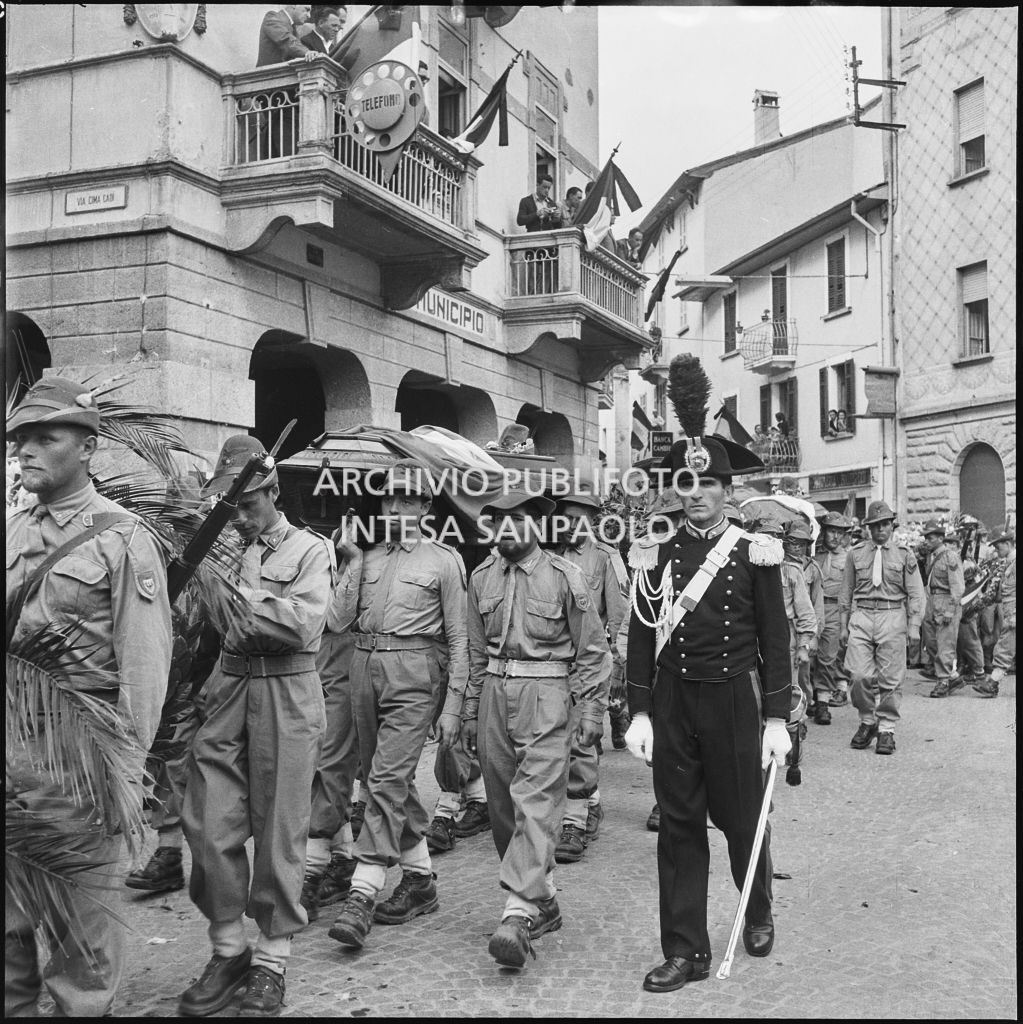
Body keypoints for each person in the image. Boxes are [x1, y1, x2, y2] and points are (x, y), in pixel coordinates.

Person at [6, 377, 173, 1017]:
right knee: (8, 928)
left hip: (79, 763)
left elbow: (145, 666)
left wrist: (122, 776)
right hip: (10, 757)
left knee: (82, 938)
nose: (25, 450)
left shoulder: (122, 539)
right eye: (20, 439)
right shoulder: (11, 532)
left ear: (87, 447)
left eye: (45, 438)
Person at [626, 425, 792, 994]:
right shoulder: (656, 551)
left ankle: (757, 907)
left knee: (743, 821)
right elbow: (641, 636)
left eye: (708, 484)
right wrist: (640, 711)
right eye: (686, 483)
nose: (696, 494)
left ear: (727, 489)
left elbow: (775, 639)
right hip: (675, 701)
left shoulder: (754, 551)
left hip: (733, 699)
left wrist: (776, 719)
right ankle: (685, 950)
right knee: (678, 828)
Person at [179, 435, 333, 1017]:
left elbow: (300, 624)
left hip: (286, 690)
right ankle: (228, 950)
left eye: (246, 505)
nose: (239, 516)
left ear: (272, 492)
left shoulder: (311, 550)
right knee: (207, 821)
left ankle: (271, 960)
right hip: (228, 686)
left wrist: (227, 592)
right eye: (230, 507)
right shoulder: (217, 549)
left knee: (279, 829)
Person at [462, 491, 611, 969]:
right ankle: (542, 899)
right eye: (499, 522)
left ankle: (518, 912)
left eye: (518, 520)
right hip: (493, 694)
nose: (508, 530)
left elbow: (593, 651)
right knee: (503, 806)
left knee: (537, 800)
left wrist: (591, 711)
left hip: (547, 696)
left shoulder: (566, 576)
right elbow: (474, 653)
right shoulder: (481, 577)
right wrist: (469, 712)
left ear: (536, 525)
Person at [327, 460, 468, 950]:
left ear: (426, 507)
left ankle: (363, 891)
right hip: (363, 666)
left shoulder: (444, 561)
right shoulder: (365, 556)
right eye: (390, 498)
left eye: (408, 498)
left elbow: (460, 639)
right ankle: (420, 879)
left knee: (385, 779)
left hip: (414, 672)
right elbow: (337, 621)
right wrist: (350, 560)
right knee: (382, 776)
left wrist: (454, 706)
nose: (396, 507)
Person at [552, 492, 627, 864]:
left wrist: (618, 664)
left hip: (587, 660)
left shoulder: (604, 558)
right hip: (553, 662)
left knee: (583, 740)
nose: (570, 525)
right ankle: (590, 803)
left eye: (578, 518)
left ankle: (577, 820)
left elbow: (619, 613)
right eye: (565, 517)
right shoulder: (550, 554)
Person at [839, 501, 925, 756]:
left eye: (885, 524)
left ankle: (886, 728)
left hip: (892, 615)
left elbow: (916, 594)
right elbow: (846, 591)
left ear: (892, 526)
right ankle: (868, 721)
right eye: (875, 525)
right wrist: (843, 626)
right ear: (868, 527)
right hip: (862, 615)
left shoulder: (905, 554)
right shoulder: (855, 554)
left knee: (891, 678)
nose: (880, 530)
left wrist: (914, 626)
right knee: (858, 675)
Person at [813, 512, 853, 715]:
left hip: (836, 609)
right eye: (832, 531)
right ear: (824, 531)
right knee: (810, 654)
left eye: (840, 532)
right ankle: (811, 695)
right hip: (814, 608)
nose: (836, 537)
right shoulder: (814, 555)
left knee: (830, 655)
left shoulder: (849, 557)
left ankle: (825, 698)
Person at [781, 519, 823, 715]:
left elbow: (816, 604)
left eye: (802, 543)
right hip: (786, 626)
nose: (797, 547)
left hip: (803, 626)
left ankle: (802, 711)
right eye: (792, 542)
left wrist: (813, 637)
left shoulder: (812, 568)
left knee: (802, 675)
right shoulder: (779, 565)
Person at [920, 521, 966, 699]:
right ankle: (952, 677)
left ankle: (943, 681)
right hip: (932, 600)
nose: (927, 541)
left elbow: (958, 586)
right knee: (931, 642)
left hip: (946, 601)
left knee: (945, 644)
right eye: (926, 538)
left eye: (930, 538)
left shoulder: (950, 556)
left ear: (940, 538)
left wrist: (951, 609)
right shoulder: (931, 556)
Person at [973, 529, 1015, 698]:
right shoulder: (1009, 562)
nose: (996, 552)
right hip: (1009, 608)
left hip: (1014, 611)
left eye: (998, 547)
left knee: (1005, 647)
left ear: (1008, 543)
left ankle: (992, 683)